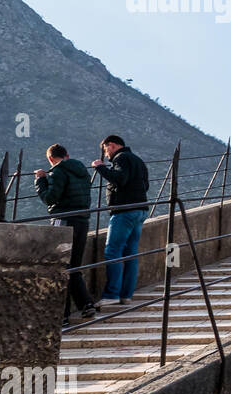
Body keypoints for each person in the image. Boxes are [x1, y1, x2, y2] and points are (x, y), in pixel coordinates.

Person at [34, 144, 96, 322]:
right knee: (74, 265)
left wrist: (40, 180)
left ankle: (63, 314)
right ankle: (86, 304)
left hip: (64, 220)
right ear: (67, 156)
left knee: (61, 266)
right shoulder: (82, 171)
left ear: (50, 159)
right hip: (82, 220)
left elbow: (50, 198)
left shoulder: (58, 172)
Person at [91, 134, 150, 305]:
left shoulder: (121, 158)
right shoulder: (138, 160)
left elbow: (119, 178)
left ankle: (111, 295)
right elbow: (145, 185)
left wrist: (100, 167)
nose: (106, 155)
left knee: (112, 250)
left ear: (112, 146)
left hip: (124, 211)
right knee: (131, 253)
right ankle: (126, 294)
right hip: (140, 210)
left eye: (106, 150)